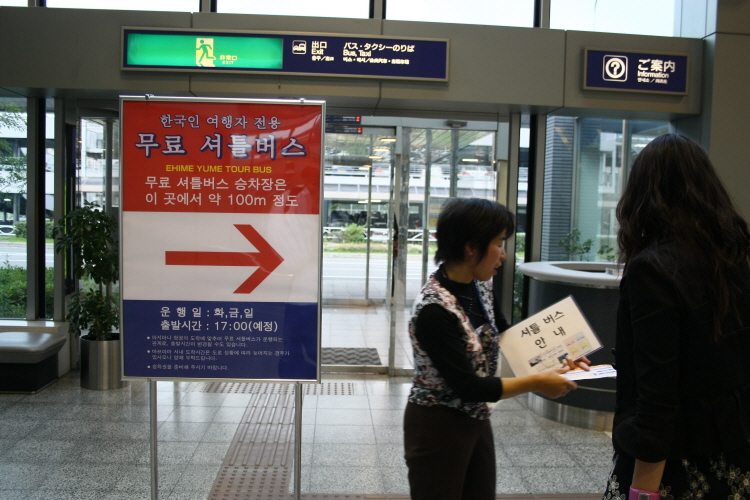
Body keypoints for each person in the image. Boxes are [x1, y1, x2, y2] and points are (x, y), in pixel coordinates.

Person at [403, 197, 588, 500]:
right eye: (499, 243)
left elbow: (509, 337)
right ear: (470, 246)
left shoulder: (479, 285)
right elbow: (469, 386)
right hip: (437, 426)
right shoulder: (433, 310)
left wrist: (559, 361)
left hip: (476, 419)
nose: (504, 254)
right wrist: (539, 382)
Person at [604, 134, 750, 500]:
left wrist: (643, 491)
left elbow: (658, 396)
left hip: (678, 462)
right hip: (735, 448)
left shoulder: (652, 269)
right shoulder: (736, 257)